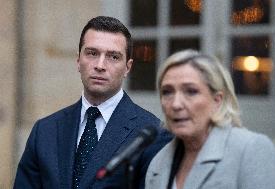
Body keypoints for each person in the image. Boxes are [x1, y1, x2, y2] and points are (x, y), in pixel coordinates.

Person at [14, 16, 172, 189]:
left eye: (113, 57)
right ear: (78, 60)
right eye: (92, 53)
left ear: (128, 67)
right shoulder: (44, 131)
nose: (100, 65)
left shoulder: (152, 134)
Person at [145, 49, 275, 189]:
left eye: (191, 91)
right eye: (167, 92)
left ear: (217, 100)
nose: (176, 104)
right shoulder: (158, 162)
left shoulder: (252, 149)